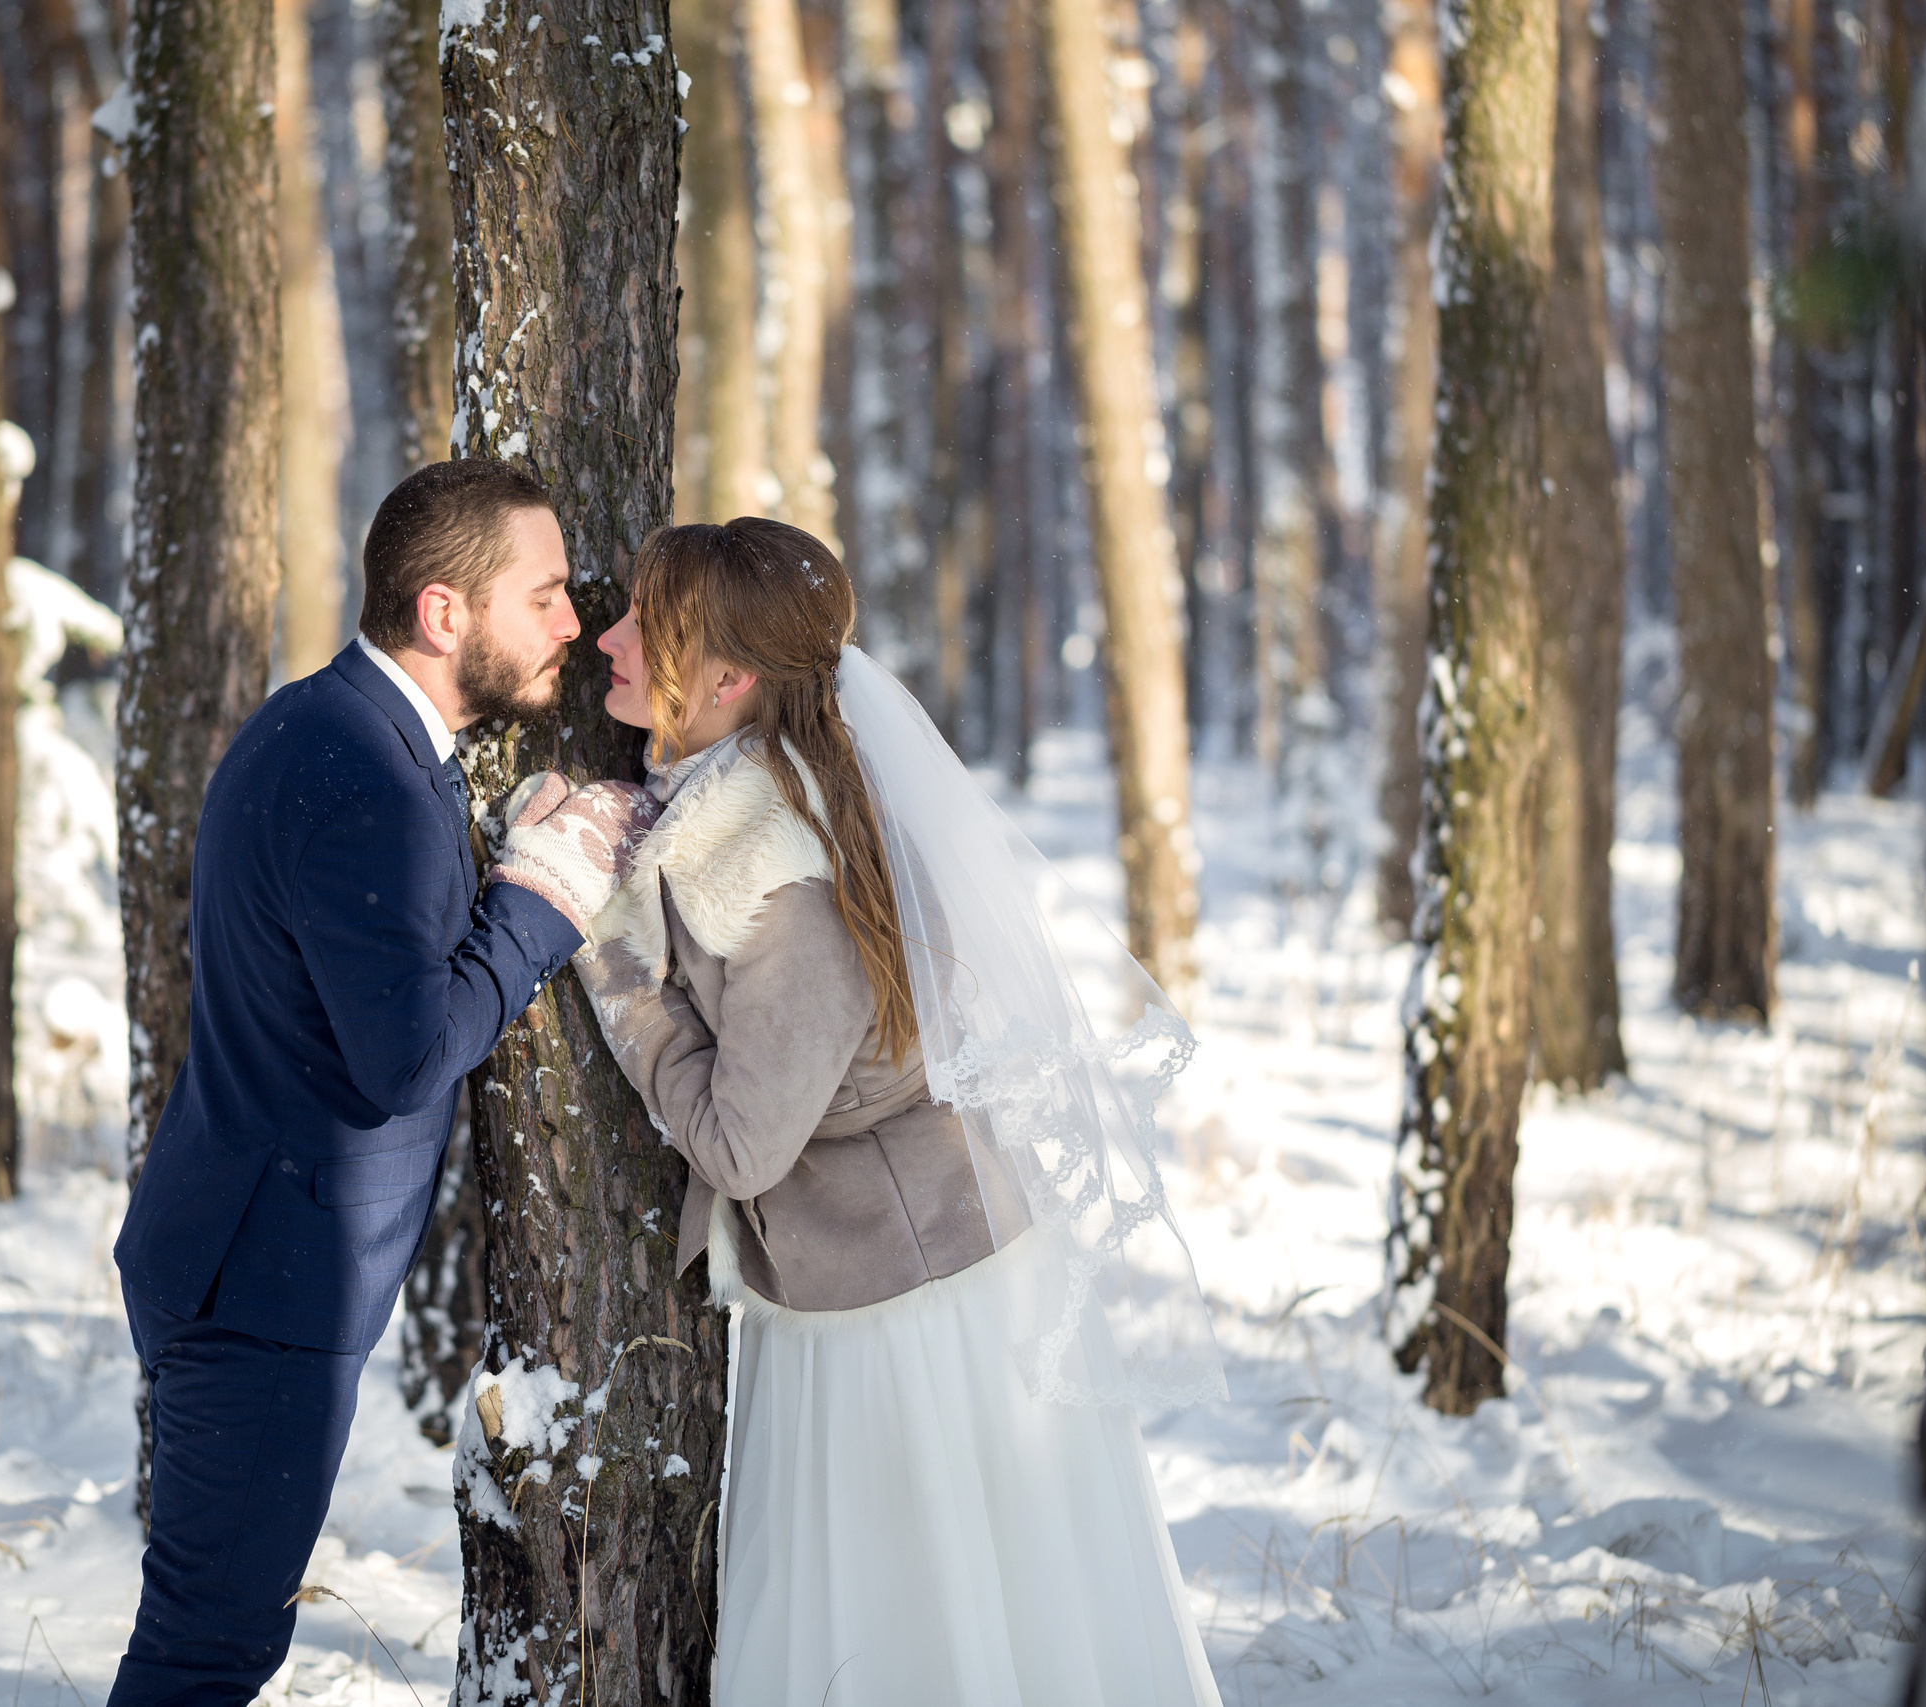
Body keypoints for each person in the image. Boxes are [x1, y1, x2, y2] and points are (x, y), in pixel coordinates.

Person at [559, 518, 1227, 1706]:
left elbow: (740, 1146)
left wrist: (617, 972)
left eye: (640, 628)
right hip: (886, 1277)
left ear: (729, 681)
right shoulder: (763, 794)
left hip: (904, 1313)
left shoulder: (771, 875)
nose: (602, 637)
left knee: (928, 1629)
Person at [107, 459, 655, 1705]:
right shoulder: (365, 779)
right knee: (211, 1646)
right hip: (262, 1287)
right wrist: (540, 898)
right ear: (443, 614)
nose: (575, 623)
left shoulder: (328, 724)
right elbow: (404, 1053)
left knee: (215, 1630)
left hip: (248, 1253)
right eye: (547, 595)